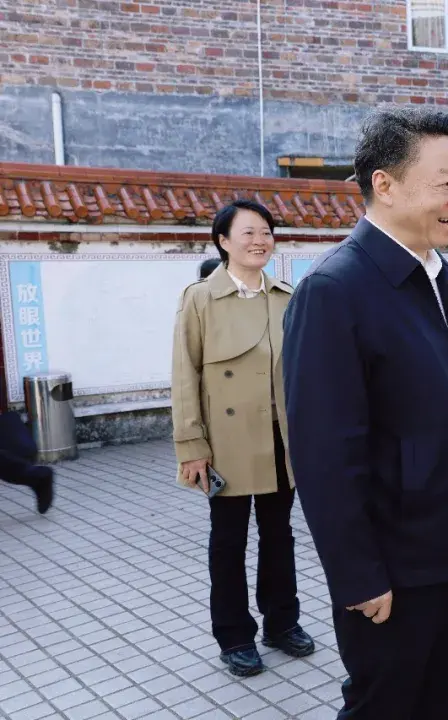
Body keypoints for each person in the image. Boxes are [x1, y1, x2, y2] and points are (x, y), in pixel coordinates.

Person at [281, 106, 448, 719]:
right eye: (445, 184)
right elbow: (324, 456)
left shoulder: (442, 278)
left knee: (445, 702)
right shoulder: (335, 291)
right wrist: (357, 575)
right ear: (385, 184)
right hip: (396, 573)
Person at [171, 199, 315, 678]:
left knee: (280, 535)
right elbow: (184, 375)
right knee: (228, 541)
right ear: (223, 241)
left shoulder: (286, 296)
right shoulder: (200, 298)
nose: (260, 241)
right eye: (248, 232)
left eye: (266, 232)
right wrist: (191, 446)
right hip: (226, 441)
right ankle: (234, 636)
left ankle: (282, 621)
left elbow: (301, 374)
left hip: (280, 439)